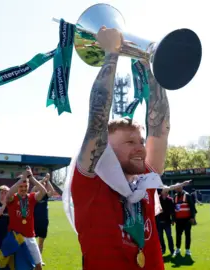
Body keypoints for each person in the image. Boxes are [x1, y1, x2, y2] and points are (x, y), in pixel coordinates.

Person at [69, 26, 173, 270]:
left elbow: (160, 128)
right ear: (106, 150)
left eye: (139, 141)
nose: (140, 148)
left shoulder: (144, 179)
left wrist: (150, 64)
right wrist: (111, 54)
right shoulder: (90, 181)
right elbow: (96, 122)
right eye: (129, 142)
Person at [6, 166, 48, 270]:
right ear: (17, 186)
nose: (24, 188)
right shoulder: (13, 198)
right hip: (16, 238)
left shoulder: (31, 197)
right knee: (17, 266)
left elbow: (43, 192)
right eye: (21, 186)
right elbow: (9, 193)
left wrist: (32, 178)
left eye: (26, 186)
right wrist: (22, 178)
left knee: (38, 266)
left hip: (30, 237)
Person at [32, 173, 55, 264]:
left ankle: (39, 260)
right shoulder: (34, 195)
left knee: (41, 242)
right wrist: (42, 181)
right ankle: (32, 259)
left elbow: (52, 191)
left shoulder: (46, 196)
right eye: (41, 186)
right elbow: (34, 188)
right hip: (33, 221)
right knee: (32, 242)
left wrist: (47, 180)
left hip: (44, 221)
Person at [173, 185, 196, 257]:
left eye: (179, 188)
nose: (178, 189)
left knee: (187, 235)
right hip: (178, 220)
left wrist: (192, 217)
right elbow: (173, 209)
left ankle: (187, 250)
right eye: (177, 188)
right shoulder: (175, 196)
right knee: (178, 235)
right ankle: (178, 249)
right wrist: (173, 219)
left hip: (187, 220)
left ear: (182, 188)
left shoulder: (187, 195)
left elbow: (192, 207)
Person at [156, 188, 175, 255]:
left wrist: (173, 220)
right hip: (159, 222)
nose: (166, 192)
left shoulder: (170, 200)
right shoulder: (157, 199)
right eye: (165, 191)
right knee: (160, 237)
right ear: (162, 192)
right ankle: (163, 249)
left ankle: (172, 250)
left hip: (167, 222)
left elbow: (172, 211)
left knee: (169, 236)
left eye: (167, 191)